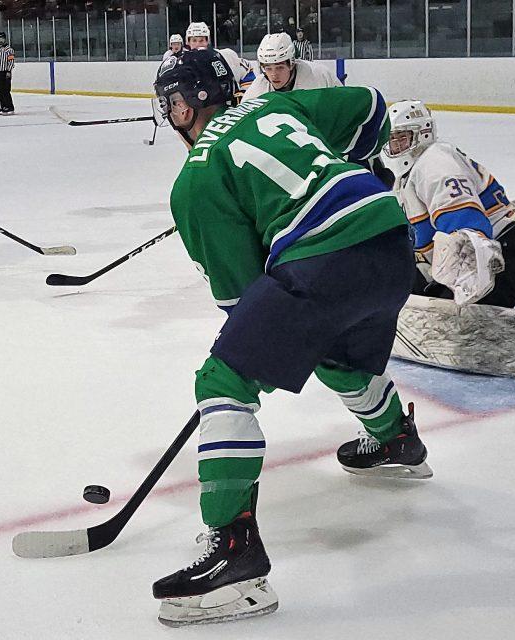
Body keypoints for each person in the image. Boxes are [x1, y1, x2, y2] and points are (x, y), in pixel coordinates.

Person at [149, 49, 431, 627]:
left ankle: (233, 556)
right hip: (389, 240)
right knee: (336, 354)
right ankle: (396, 440)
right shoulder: (278, 104)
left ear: (193, 101)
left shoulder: (195, 179)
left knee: (223, 379)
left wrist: (248, 344)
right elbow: (373, 110)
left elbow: (242, 298)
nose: (171, 114)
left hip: (328, 253)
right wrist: (335, 170)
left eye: (173, 103)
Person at [380, 100, 515, 386]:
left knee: (453, 324)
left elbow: (466, 227)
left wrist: (457, 298)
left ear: (422, 134)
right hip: (469, 263)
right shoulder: (408, 177)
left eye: (402, 138)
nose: (395, 146)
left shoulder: (435, 160)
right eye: (391, 140)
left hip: (499, 263)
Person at [241, 32, 339, 101]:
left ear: (291, 64)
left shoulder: (319, 76)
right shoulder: (258, 88)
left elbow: (344, 107)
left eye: (279, 67)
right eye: (268, 68)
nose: (274, 75)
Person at [183, 21, 255, 99]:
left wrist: (244, 95)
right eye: (194, 41)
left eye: (201, 40)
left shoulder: (223, 56)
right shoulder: (182, 64)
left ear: (207, 41)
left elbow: (247, 69)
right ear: (188, 42)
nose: (198, 44)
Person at [0, 32, 15, 115]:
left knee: (5, 90)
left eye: (2, 39)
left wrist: (9, 71)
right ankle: (3, 106)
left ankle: (10, 107)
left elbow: (11, 61)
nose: (0, 41)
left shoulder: (9, 50)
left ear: (5, 39)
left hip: (6, 72)